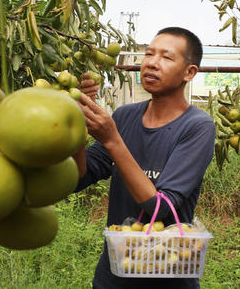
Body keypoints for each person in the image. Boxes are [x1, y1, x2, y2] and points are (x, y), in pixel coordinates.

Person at [73, 27, 216, 288]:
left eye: (166, 57)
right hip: (115, 274)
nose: (151, 62)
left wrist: (113, 140)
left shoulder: (197, 126)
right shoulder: (125, 116)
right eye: (149, 54)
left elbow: (160, 208)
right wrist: (76, 115)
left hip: (168, 274)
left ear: (189, 72)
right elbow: (80, 176)